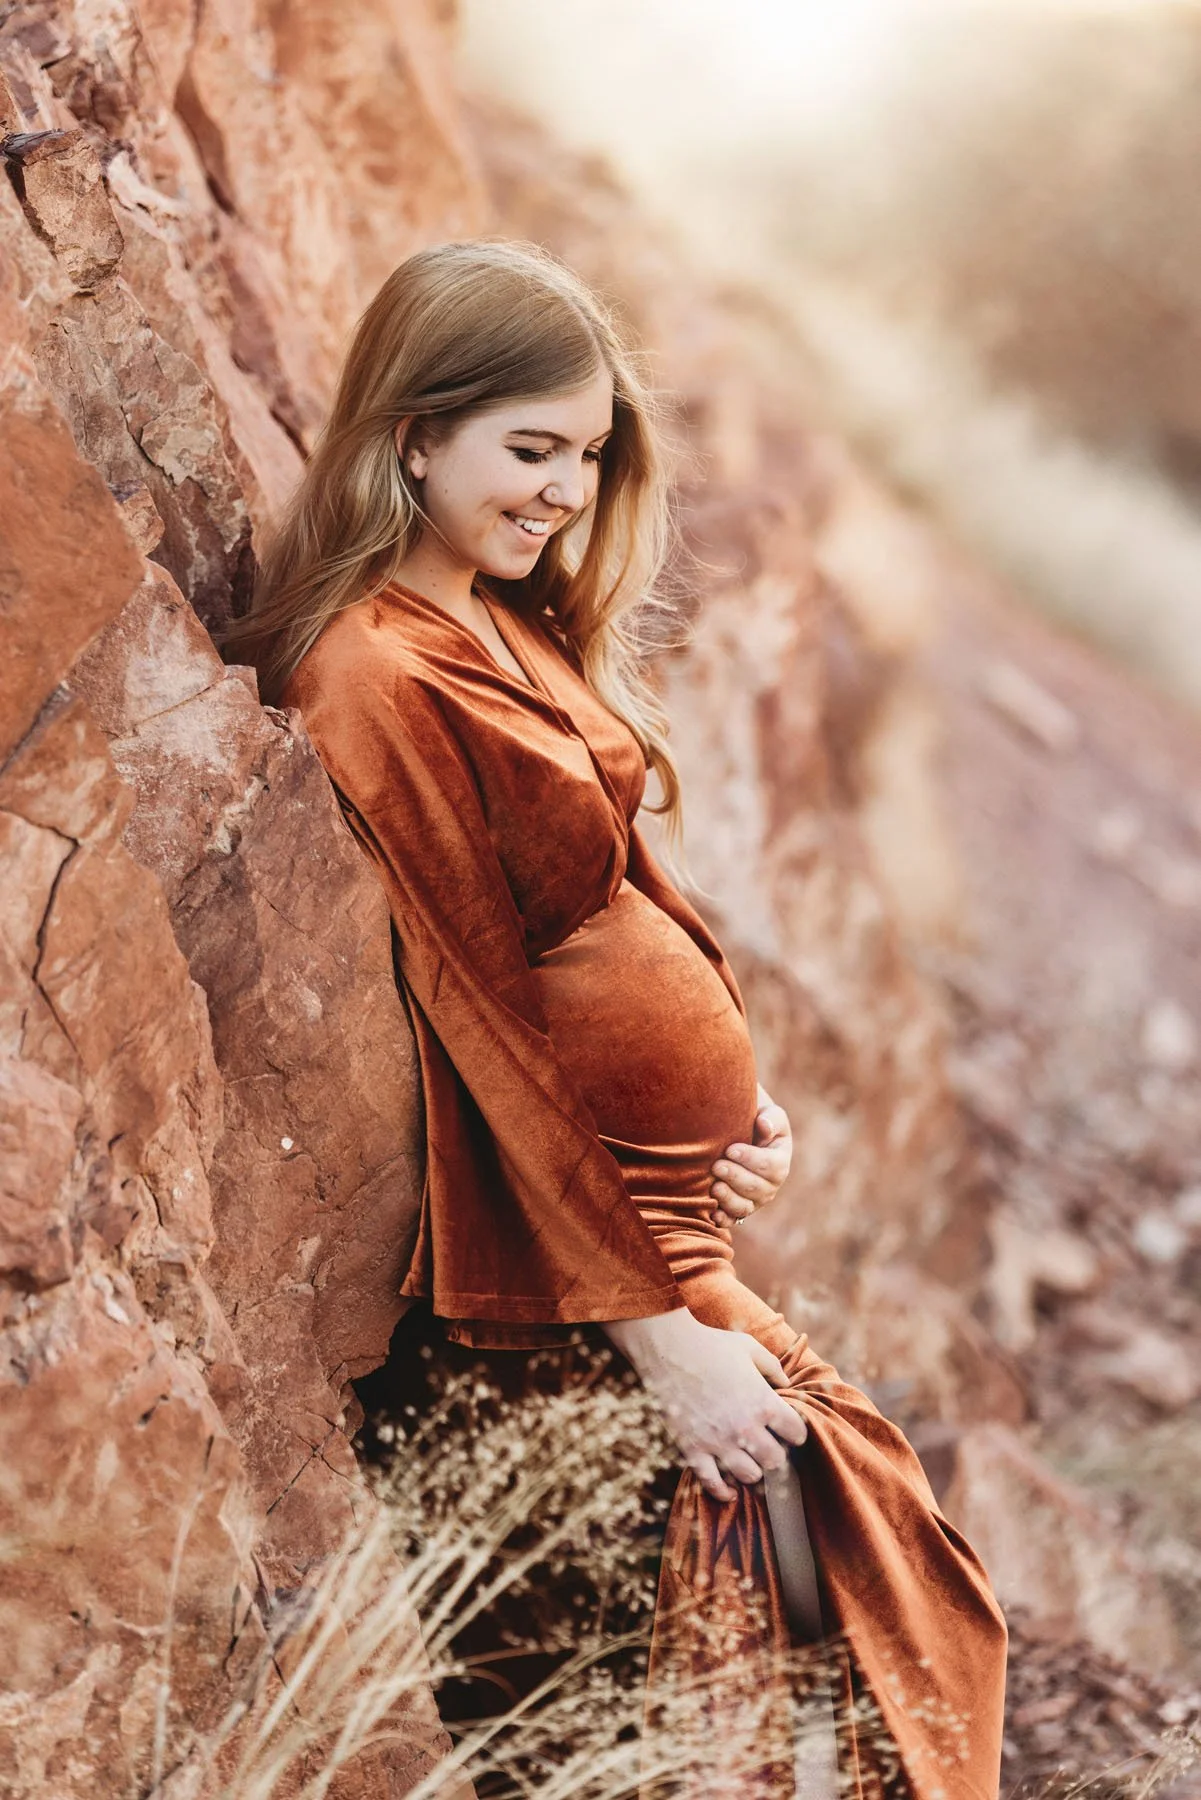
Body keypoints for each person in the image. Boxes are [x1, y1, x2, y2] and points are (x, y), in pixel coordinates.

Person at [222, 237, 1008, 1798]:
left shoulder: (504, 620)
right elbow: (475, 1007)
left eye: (587, 456)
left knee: (890, 1624)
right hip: (569, 1282)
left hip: (667, 1227)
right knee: (774, 1678)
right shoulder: (370, 669)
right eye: (532, 450)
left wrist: (739, 1109)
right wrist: (663, 1339)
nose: (566, 493)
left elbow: (626, 902)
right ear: (413, 437)